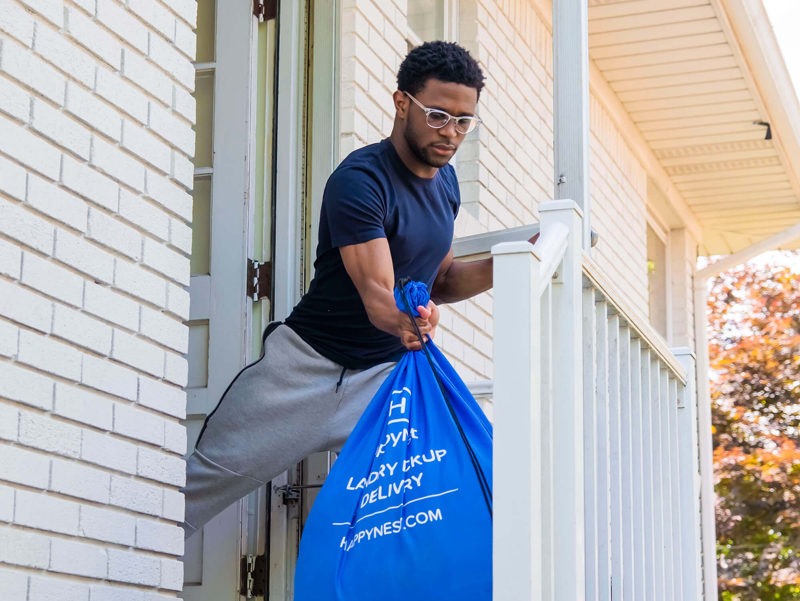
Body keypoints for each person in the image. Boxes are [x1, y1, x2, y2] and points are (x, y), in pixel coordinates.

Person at [181, 40, 537, 537]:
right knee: (188, 493)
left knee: (442, 499)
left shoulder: (447, 185)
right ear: (401, 103)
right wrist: (409, 321)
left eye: (464, 121)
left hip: (383, 379)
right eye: (438, 115)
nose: (451, 133)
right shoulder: (360, 180)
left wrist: (521, 258)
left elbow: (443, 278)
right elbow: (379, 297)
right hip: (303, 369)